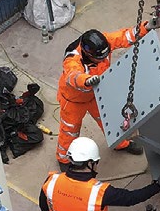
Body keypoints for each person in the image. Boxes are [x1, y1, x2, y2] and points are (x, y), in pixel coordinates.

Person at [57, 24, 152, 168]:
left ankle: (120, 143)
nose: (103, 60)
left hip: (96, 94)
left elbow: (124, 36)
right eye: (99, 58)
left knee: (109, 120)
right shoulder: (72, 59)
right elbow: (73, 76)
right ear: (88, 54)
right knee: (70, 130)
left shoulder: (103, 43)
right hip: (73, 101)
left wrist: (147, 27)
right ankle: (63, 159)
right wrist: (86, 81)